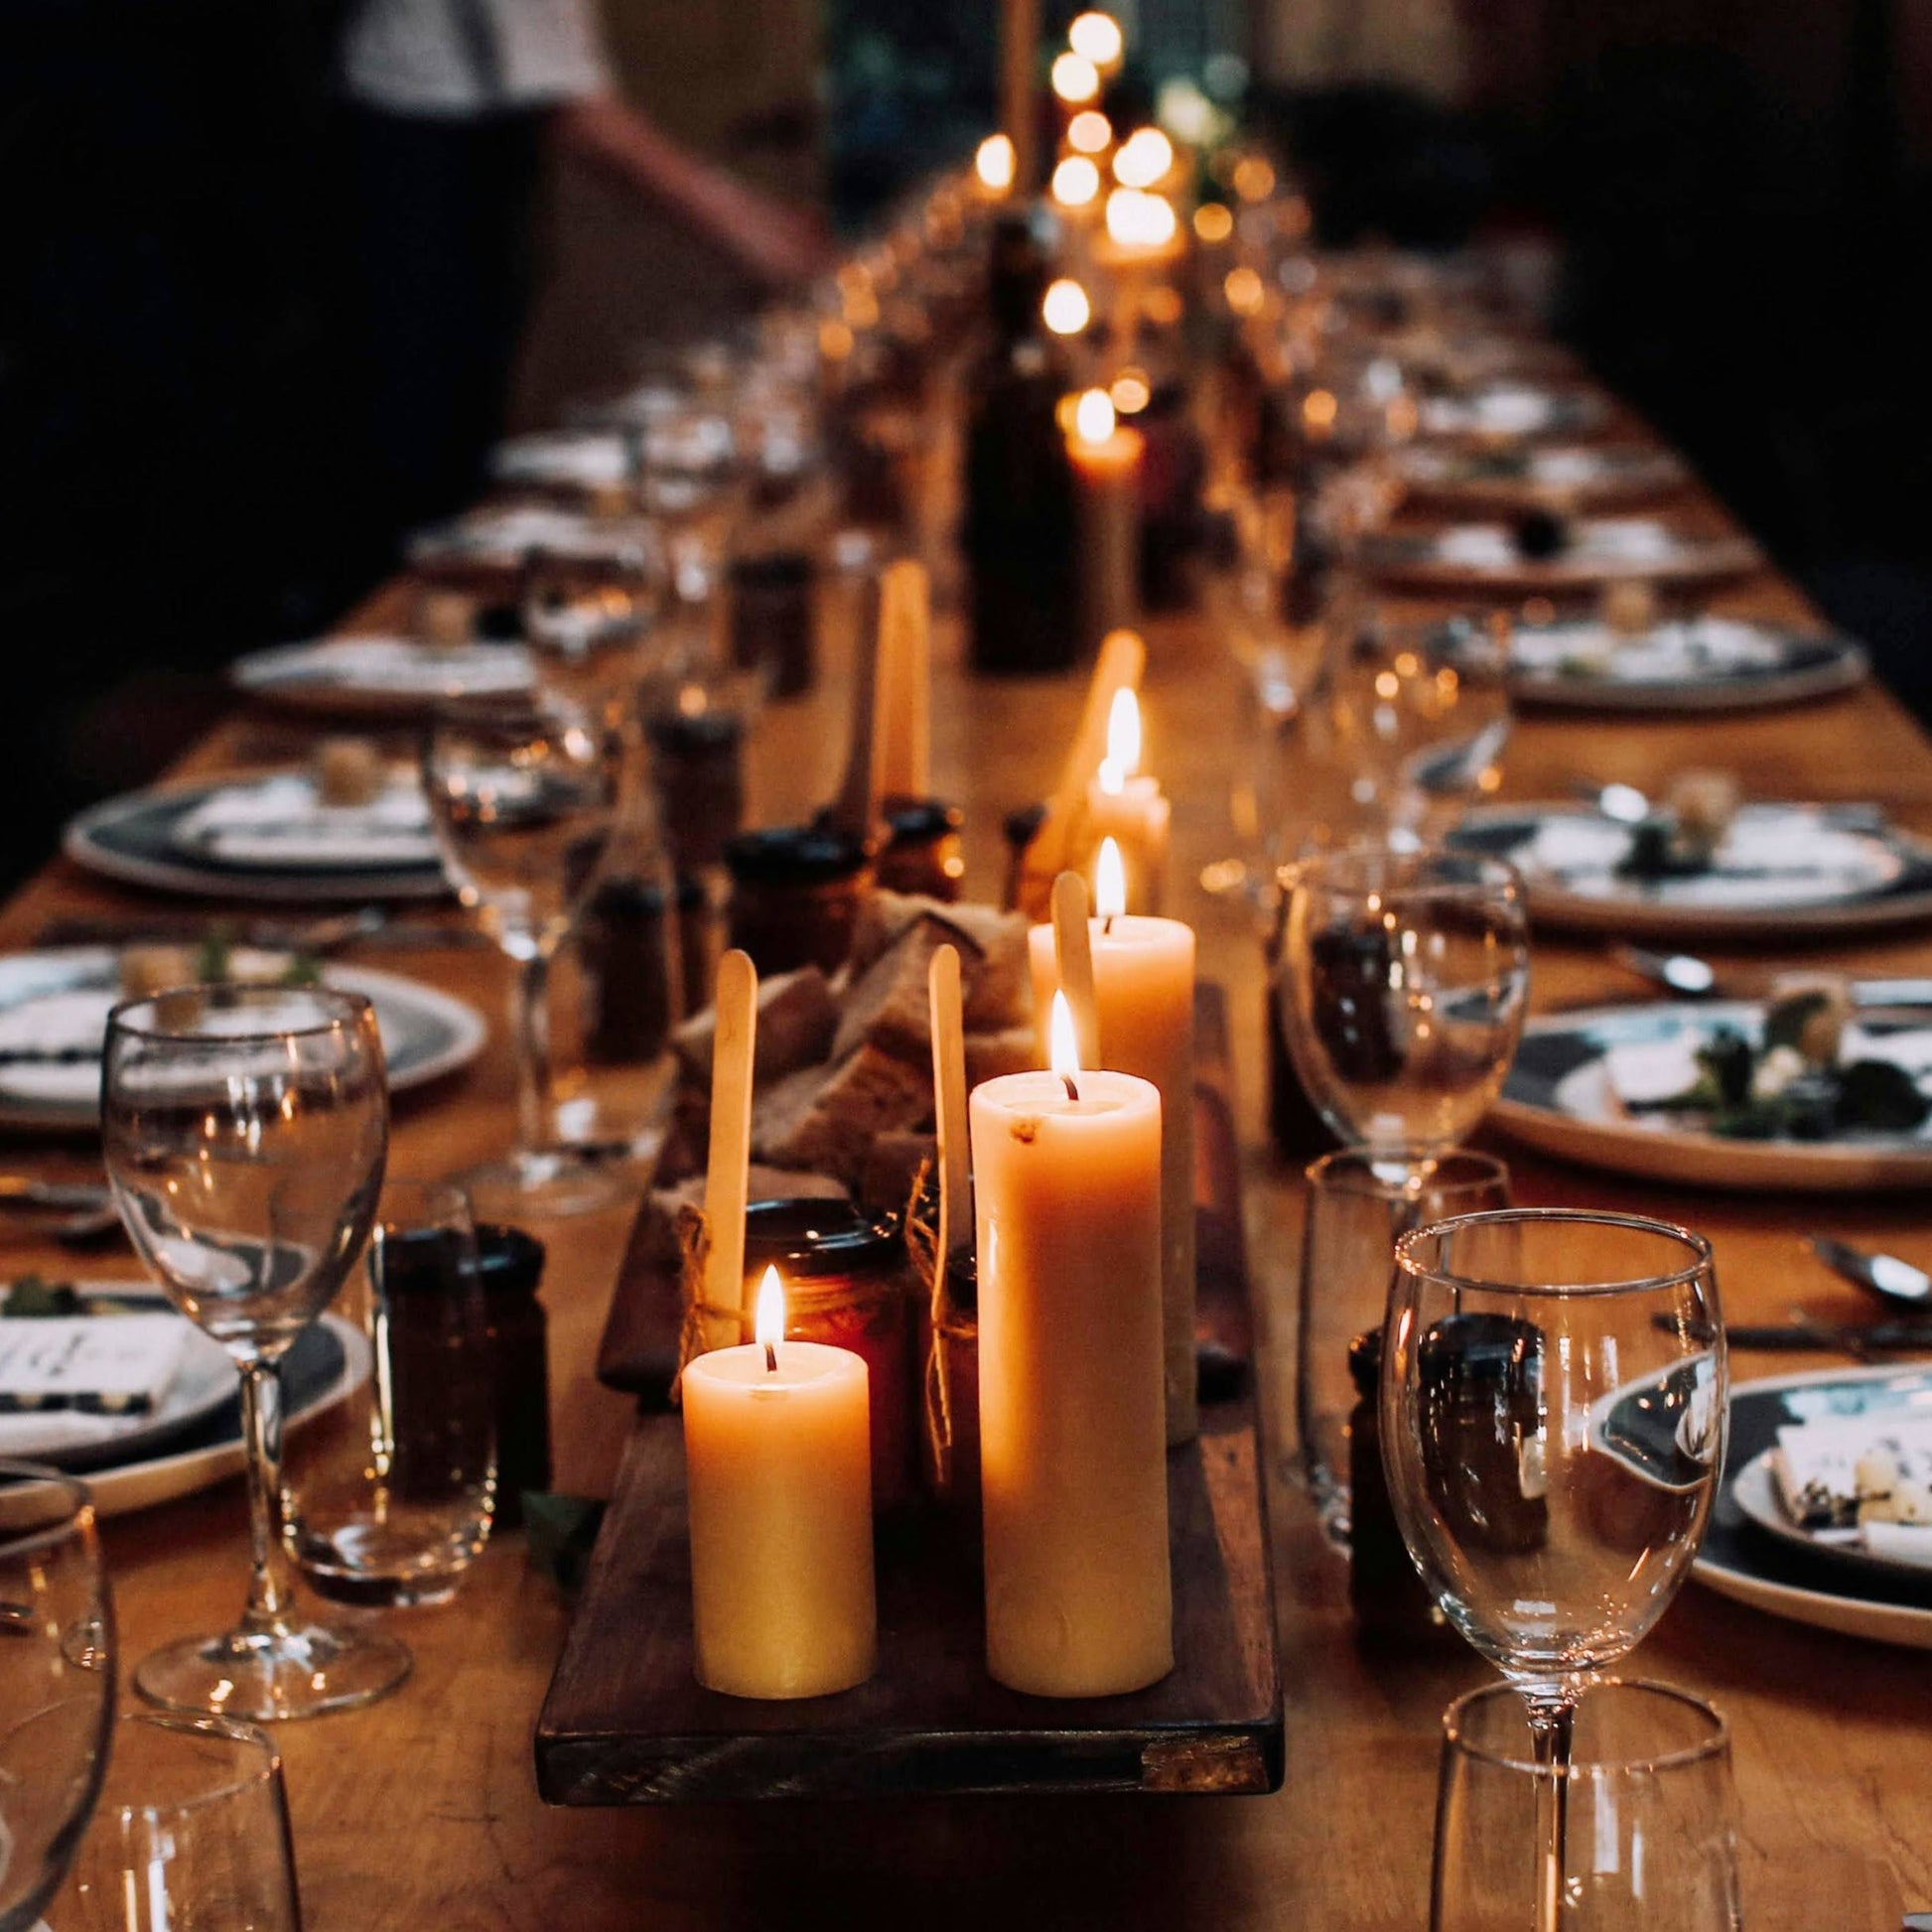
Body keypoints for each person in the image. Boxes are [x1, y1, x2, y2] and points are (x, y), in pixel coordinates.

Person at [338, 0, 827, 542]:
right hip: (417, 167)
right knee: (424, 477)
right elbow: (568, 101)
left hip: (473, 153)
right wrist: (757, 233)